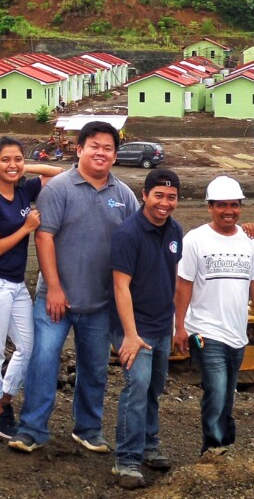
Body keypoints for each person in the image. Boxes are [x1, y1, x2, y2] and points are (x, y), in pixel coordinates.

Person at [9, 121, 138, 454]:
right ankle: (32, 429)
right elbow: (45, 237)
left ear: (114, 155)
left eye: (107, 148)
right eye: (93, 145)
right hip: (56, 299)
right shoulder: (59, 188)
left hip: (99, 302)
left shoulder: (123, 195)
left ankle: (89, 428)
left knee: (94, 368)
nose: (100, 152)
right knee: (43, 359)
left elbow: (136, 241)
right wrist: (53, 288)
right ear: (79, 149)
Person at [0, 137, 61, 439]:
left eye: (17, 159)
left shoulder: (22, 189)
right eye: (5, 160)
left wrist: (22, 170)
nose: (12, 165)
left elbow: (55, 175)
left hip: (16, 283)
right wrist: (26, 228)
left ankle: (3, 402)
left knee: (28, 346)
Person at [173, 176, 254, 455]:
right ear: (210, 207)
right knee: (215, 388)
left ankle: (227, 443)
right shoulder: (195, 240)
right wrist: (179, 326)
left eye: (234, 205)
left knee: (227, 391)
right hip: (204, 330)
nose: (229, 210)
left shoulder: (249, 242)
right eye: (222, 205)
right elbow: (184, 285)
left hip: (237, 333)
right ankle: (213, 447)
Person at [109, 169, 183, 489]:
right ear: (144, 195)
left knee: (154, 387)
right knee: (137, 386)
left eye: (171, 197)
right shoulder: (128, 234)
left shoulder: (175, 231)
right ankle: (126, 460)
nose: (164, 203)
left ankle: (150, 444)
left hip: (161, 325)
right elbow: (120, 286)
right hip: (133, 327)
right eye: (159, 196)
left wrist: (177, 324)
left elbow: (174, 279)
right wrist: (130, 334)